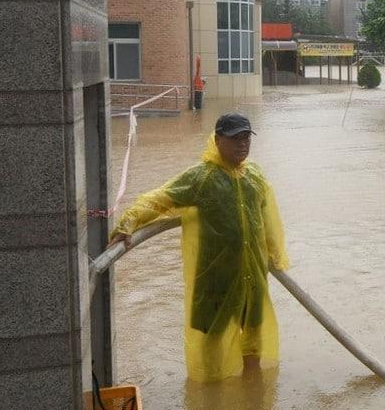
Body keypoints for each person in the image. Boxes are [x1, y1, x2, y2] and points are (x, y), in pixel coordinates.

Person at [109, 112, 289, 381]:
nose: (242, 144)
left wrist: (275, 254)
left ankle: (252, 390)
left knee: (253, 336)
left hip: (252, 275)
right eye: (235, 138)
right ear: (217, 140)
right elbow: (158, 200)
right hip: (214, 278)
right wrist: (128, 223)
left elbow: (268, 220)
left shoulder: (254, 176)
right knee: (211, 340)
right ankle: (211, 395)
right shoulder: (201, 177)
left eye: (246, 138)